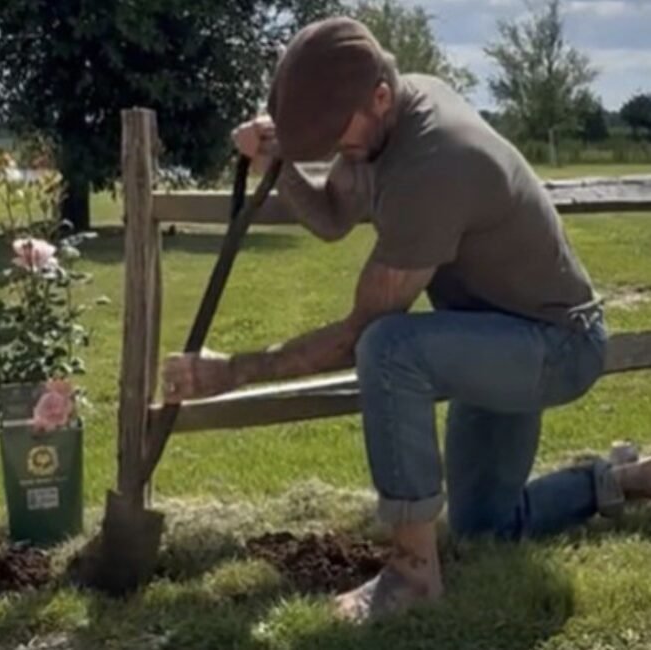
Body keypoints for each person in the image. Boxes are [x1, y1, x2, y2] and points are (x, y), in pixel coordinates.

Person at [161, 16, 650, 623]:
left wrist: (228, 372)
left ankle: (413, 575)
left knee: (390, 348)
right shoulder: (385, 111)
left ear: (381, 98)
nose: (339, 156)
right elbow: (336, 215)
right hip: (491, 332)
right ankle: (627, 481)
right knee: (486, 527)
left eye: (339, 141)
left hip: (555, 345)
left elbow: (357, 335)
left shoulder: (434, 164)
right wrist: (284, 159)